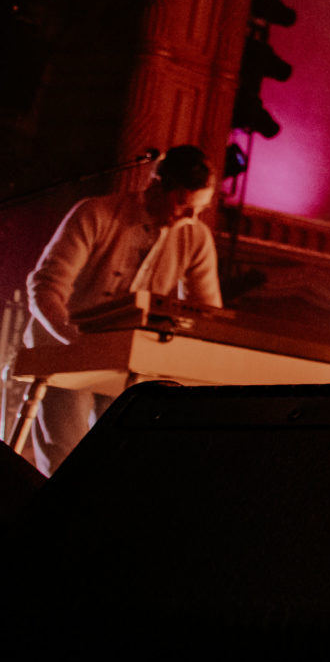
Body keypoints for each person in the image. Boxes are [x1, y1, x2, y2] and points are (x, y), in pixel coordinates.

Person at [23, 145, 222, 474]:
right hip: (65, 348)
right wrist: (73, 341)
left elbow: (207, 315)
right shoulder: (95, 213)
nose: (191, 218)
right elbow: (46, 287)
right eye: (184, 205)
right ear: (156, 187)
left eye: (199, 209)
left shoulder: (196, 236)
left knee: (121, 458)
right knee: (65, 457)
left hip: (129, 358)